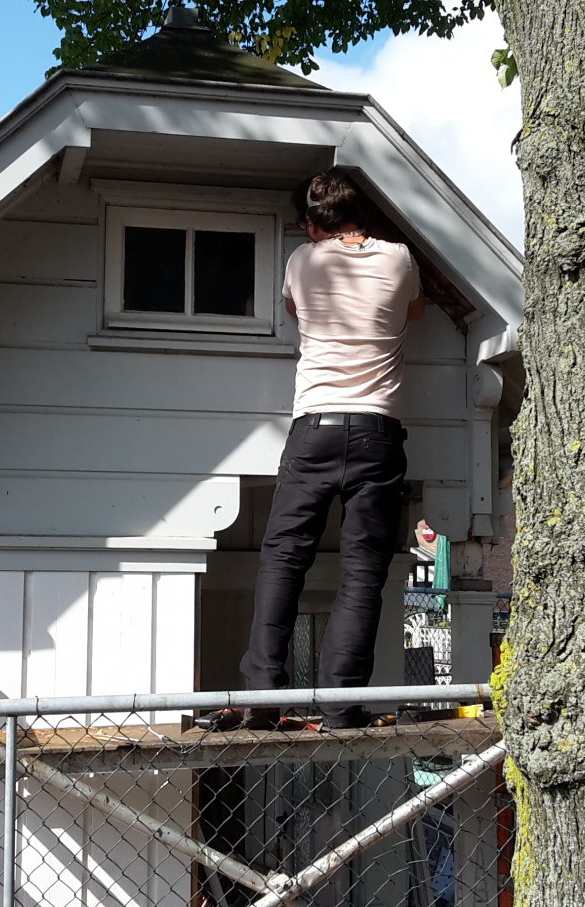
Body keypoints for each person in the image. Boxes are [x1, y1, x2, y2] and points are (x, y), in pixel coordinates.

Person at [237, 168, 425, 730]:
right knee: (364, 572)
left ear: (311, 223)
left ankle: (264, 697)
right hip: (377, 432)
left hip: (315, 427)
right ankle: (343, 706)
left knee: (284, 558)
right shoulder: (399, 260)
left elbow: (297, 313)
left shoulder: (302, 261)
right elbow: (412, 312)